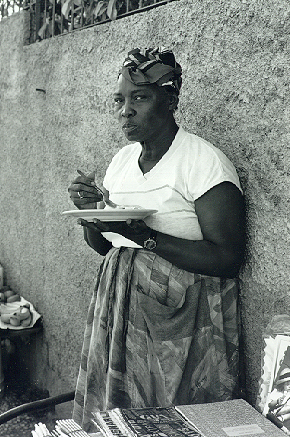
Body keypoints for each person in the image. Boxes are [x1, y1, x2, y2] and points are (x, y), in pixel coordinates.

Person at [67, 47, 246, 431]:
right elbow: (106, 247)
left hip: (182, 316)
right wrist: (91, 215)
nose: (125, 111)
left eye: (140, 98)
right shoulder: (121, 163)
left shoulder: (203, 163)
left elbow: (228, 258)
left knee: (175, 413)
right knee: (122, 413)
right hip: (121, 308)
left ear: (170, 100)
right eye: (120, 100)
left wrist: (148, 239)